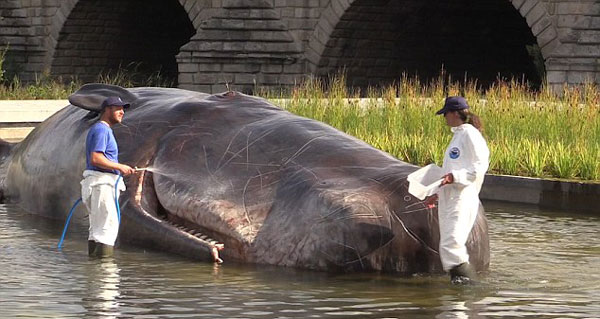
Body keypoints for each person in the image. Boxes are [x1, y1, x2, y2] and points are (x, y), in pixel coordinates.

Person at [425, 96, 490, 284]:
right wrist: (435, 194)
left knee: (451, 243)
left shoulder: (470, 134)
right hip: (451, 197)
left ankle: (467, 288)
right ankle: (460, 284)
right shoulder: (458, 135)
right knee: (448, 243)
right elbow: (449, 171)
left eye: (446, 114)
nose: (444, 118)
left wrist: (455, 177)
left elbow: (479, 166)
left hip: (462, 197)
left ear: (454, 113)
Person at [81, 96, 135, 257]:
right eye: (118, 108)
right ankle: (106, 277)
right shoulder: (102, 130)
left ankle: (94, 274)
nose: (122, 112)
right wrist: (120, 167)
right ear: (107, 110)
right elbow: (96, 158)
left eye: (123, 109)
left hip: (98, 184)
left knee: (97, 231)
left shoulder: (99, 129)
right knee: (107, 230)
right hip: (102, 185)